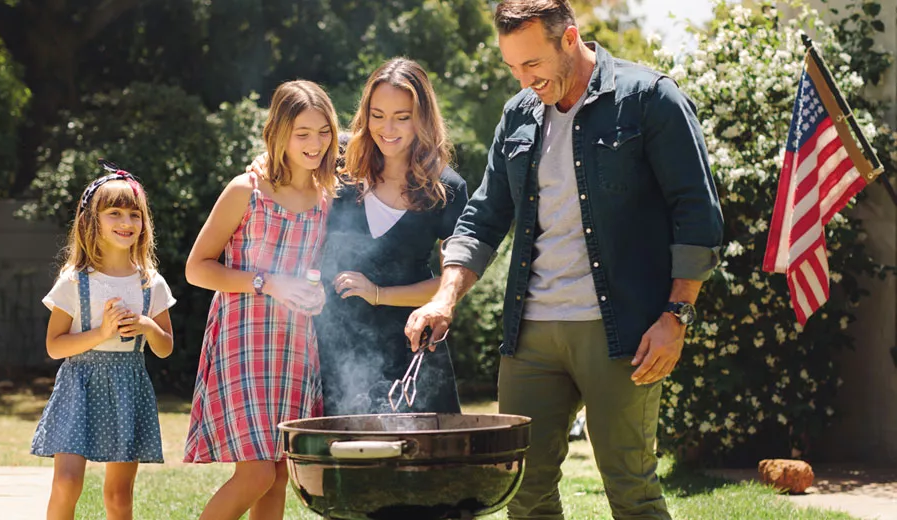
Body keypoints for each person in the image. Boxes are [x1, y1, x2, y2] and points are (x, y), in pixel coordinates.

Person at [405, 1, 724, 518]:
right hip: (530, 334)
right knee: (522, 491)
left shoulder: (648, 99)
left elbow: (697, 211)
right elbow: (484, 216)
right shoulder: (518, 114)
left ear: (570, 39)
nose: (523, 79)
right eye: (512, 66)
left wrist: (677, 315)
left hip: (623, 332)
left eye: (532, 64)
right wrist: (445, 297)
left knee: (631, 489)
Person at [183, 80, 338, 520]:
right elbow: (197, 268)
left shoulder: (326, 198)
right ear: (279, 133)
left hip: (294, 346)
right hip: (243, 340)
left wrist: (315, 293)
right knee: (256, 474)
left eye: (323, 131)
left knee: (278, 472)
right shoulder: (245, 190)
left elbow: (311, 272)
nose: (315, 143)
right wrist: (267, 283)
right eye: (302, 133)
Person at [315, 57, 468, 415]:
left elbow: (453, 283)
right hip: (334, 344)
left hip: (411, 347)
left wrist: (379, 294)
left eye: (402, 117)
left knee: (421, 450)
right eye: (378, 115)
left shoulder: (447, 188)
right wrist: (262, 166)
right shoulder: (339, 161)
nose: (387, 128)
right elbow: (284, 164)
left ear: (423, 118)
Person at [32, 163, 176, 520]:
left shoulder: (151, 283)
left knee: (118, 495)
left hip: (128, 386)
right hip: (79, 386)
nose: (126, 222)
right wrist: (101, 333)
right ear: (91, 221)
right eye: (114, 213)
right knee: (66, 483)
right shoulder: (74, 281)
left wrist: (146, 326)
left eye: (134, 214)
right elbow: (54, 346)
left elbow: (165, 347)